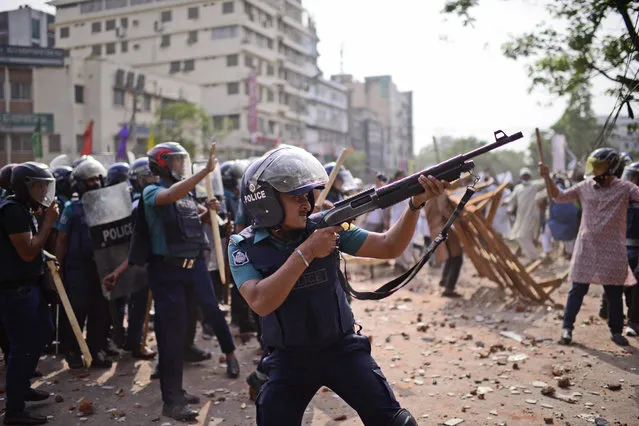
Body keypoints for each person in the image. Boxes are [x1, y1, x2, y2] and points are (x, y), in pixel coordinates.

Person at [228, 145, 448, 426]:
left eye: (308, 194)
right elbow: (260, 301)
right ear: (265, 201)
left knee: (396, 422)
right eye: (295, 197)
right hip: (288, 359)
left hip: (342, 349)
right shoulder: (242, 246)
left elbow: (389, 245)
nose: (307, 203)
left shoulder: (325, 226)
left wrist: (415, 205)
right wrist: (307, 252)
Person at [138, 141, 221, 421]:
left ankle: (177, 391)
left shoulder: (182, 194)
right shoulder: (152, 190)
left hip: (186, 272)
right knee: (171, 338)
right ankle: (171, 400)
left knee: (182, 335)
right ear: (162, 164)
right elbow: (169, 196)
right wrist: (204, 172)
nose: (179, 166)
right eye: (175, 161)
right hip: (166, 273)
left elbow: (183, 218)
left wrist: (205, 211)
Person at [540, 148, 639, 347]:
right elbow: (559, 196)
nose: (594, 170)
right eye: (592, 165)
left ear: (611, 168)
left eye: (598, 166)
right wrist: (547, 178)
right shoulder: (584, 186)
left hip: (613, 249)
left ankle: (616, 331)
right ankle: (567, 329)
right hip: (587, 248)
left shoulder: (626, 188)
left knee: (613, 293)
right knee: (577, 289)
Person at [0, 162, 58, 425]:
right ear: (25, 186)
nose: (44, 190)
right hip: (16, 291)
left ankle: (21, 387)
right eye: (39, 185)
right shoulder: (12, 211)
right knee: (21, 346)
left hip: (29, 287)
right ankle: (14, 410)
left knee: (43, 332)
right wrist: (48, 223)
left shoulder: (23, 209)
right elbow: (27, 250)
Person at [55, 158, 113, 368]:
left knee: (100, 309)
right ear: (79, 183)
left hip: (101, 267)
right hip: (78, 268)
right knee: (78, 308)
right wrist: (58, 268)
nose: (95, 183)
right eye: (89, 180)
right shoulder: (71, 209)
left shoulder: (108, 206)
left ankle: (96, 349)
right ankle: (72, 350)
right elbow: (61, 240)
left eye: (98, 178)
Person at [506, 167, 545, 261]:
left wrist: (547, 174)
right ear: (521, 177)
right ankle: (534, 256)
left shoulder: (534, 186)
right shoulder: (518, 188)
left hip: (532, 214)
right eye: (524, 176)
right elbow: (511, 199)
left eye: (527, 176)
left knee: (523, 236)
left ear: (530, 177)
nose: (525, 178)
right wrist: (505, 203)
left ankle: (535, 256)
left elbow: (545, 182)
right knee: (522, 236)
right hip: (521, 215)